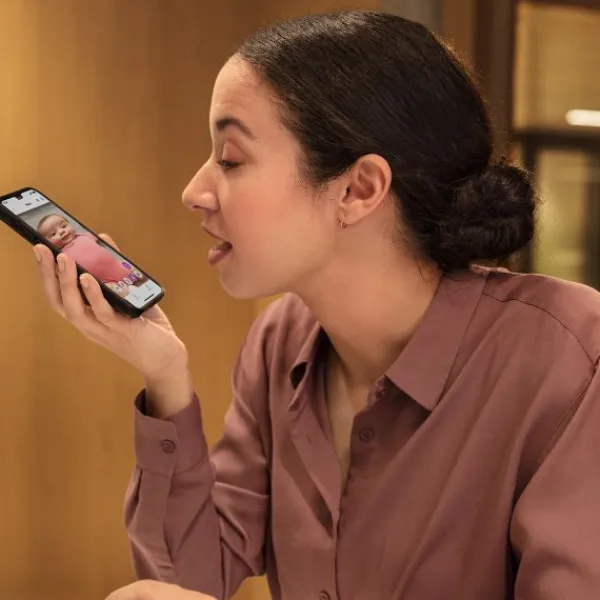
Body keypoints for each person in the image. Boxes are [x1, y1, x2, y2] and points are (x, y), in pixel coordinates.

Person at [34, 10, 600, 600]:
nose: (194, 191)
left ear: (358, 189)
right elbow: (189, 579)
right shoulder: (281, 340)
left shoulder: (568, 357)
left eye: (230, 159)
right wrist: (164, 374)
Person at [37, 213, 136, 295]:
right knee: (113, 291)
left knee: (133, 269)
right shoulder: (61, 256)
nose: (62, 231)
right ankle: (132, 292)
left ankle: (141, 281)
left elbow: (99, 237)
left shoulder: (83, 236)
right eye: (53, 234)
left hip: (118, 266)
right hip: (106, 282)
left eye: (64, 226)